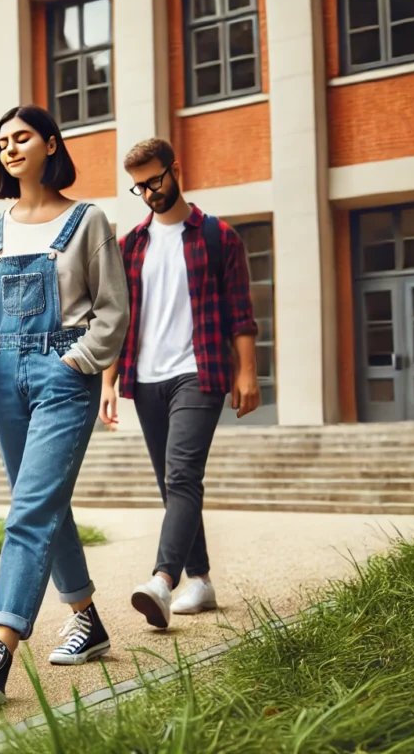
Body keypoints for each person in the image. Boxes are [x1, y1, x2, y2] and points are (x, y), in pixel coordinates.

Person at [0, 105, 129, 704]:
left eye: (22, 138)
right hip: (5, 376)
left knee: (29, 509)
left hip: (64, 374)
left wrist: (79, 360)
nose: (10, 149)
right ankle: (87, 619)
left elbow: (114, 310)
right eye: (2, 143)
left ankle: (0, 649)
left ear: (50, 144)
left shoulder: (88, 220)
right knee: (41, 503)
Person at [103, 138, 260, 629]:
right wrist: (108, 383)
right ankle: (203, 581)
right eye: (139, 187)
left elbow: (240, 312)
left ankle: (162, 581)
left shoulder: (218, 237)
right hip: (146, 378)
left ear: (175, 169)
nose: (149, 192)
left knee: (182, 476)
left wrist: (248, 371)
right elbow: (118, 319)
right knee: (171, 485)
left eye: (155, 181)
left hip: (201, 370)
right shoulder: (131, 245)